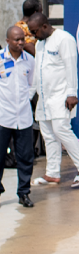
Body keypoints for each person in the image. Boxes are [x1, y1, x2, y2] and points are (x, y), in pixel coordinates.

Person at [25, 13, 79, 188]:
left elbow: (71, 67)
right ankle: (52, 174)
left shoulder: (64, 39)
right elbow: (37, 73)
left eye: (35, 31)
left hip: (61, 96)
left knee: (61, 130)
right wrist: (28, 95)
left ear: (44, 26)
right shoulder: (40, 44)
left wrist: (72, 93)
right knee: (48, 135)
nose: (33, 35)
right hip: (44, 98)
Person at [1, 26, 36, 207]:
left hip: (23, 118)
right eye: (17, 40)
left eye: (23, 39)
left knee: (25, 157)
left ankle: (24, 193)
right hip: (3, 117)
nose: (21, 42)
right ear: (8, 41)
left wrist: (25, 100)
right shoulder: (0, 59)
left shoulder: (29, 60)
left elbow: (32, 85)